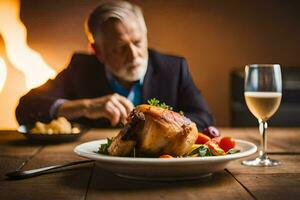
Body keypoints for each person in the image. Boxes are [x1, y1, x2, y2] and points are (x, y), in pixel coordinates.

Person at [15, 0, 214, 130]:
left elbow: (204, 117)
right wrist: (86, 106)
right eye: (119, 49)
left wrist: (159, 123)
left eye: (137, 42)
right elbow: (25, 108)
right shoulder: (80, 67)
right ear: (97, 51)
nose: (134, 55)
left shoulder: (174, 68)